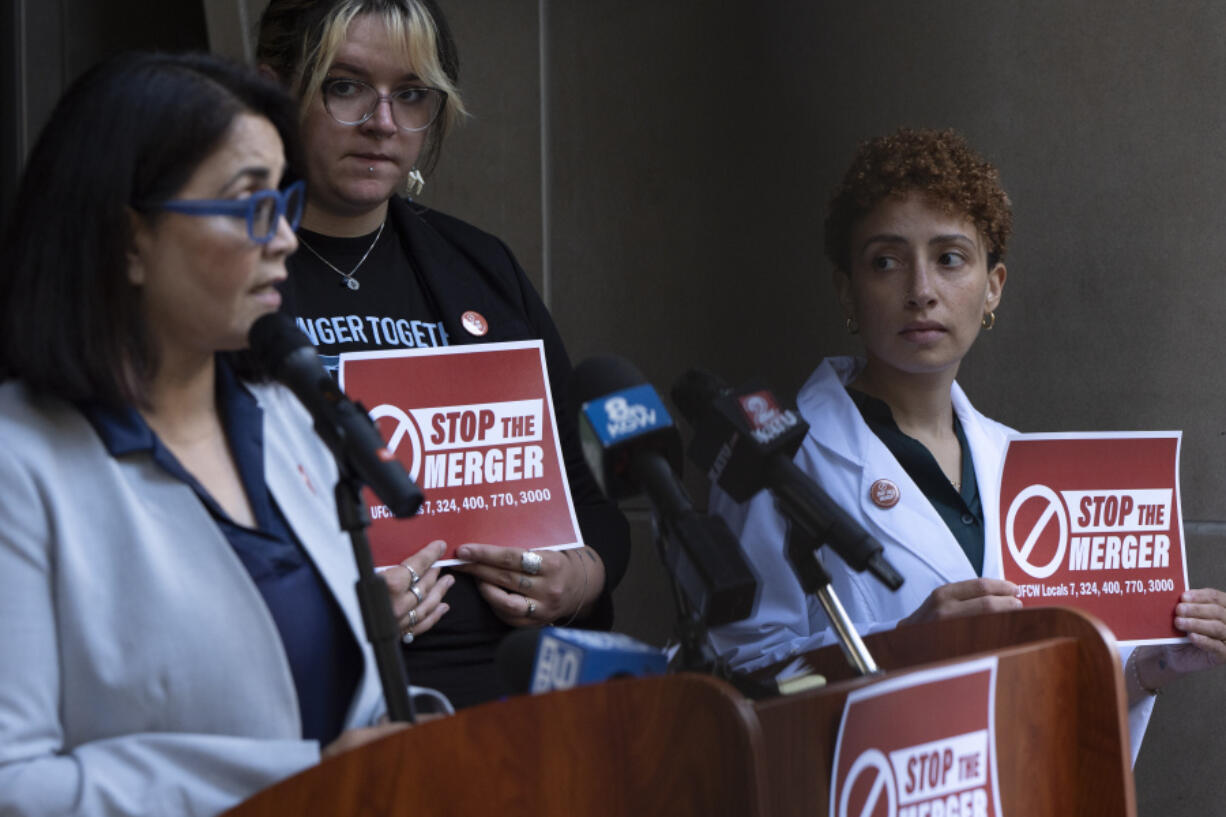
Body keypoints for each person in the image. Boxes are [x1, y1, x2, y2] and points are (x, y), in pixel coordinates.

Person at [706, 127, 1226, 762]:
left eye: (950, 258)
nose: (921, 289)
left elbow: (1043, 698)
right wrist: (903, 644)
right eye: (886, 261)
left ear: (993, 287)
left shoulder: (1021, 465)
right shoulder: (779, 460)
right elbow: (736, 688)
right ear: (847, 289)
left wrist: (1149, 667)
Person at [0, 52, 411, 815]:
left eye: (284, 200)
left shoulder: (289, 416)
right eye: (249, 202)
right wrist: (305, 779)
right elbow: (13, 783)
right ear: (128, 238)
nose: (285, 237)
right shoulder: (18, 464)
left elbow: (348, 706)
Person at [255, 0, 631, 708]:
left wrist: (580, 578)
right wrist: (331, 610)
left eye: (411, 94)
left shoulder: (479, 268)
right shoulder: (230, 274)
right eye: (345, 86)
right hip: (325, 702)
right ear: (274, 91)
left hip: (514, 692)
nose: (383, 122)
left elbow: (590, 503)